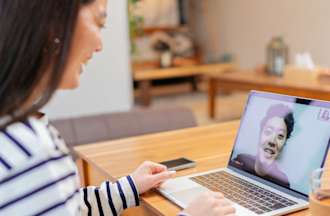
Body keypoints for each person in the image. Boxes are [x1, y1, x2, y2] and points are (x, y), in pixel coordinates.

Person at [0, 0, 236, 215]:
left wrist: (128, 187)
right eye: (98, 22)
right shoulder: (33, 149)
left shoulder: (17, 129)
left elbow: (68, 205)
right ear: (55, 22)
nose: (100, 45)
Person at [233, 104, 294, 187]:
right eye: (268, 131)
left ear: (284, 143)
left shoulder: (283, 182)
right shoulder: (240, 161)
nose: (272, 141)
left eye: (280, 136)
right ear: (260, 133)